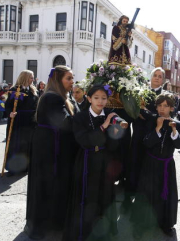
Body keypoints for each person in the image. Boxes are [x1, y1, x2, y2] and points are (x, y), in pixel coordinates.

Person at [63, 85, 128, 241]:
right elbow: (85, 141)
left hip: (105, 163)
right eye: (96, 98)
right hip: (86, 162)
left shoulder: (113, 118)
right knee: (87, 197)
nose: (100, 101)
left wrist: (115, 135)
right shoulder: (80, 117)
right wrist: (105, 125)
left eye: (104, 98)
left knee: (105, 197)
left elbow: (113, 147)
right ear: (89, 98)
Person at [24, 66, 77, 240]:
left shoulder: (58, 97)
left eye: (72, 78)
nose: (72, 82)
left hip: (49, 145)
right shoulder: (53, 98)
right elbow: (65, 123)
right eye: (68, 78)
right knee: (47, 185)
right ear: (57, 80)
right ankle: (43, 225)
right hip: (50, 149)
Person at [131, 93, 180, 239]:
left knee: (165, 193)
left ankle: (165, 223)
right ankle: (144, 222)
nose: (162, 109)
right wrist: (158, 127)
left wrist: (174, 131)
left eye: (166, 106)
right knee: (148, 193)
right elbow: (147, 143)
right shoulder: (151, 121)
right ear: (156, 107)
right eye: (160, 106)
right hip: (150, 163)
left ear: (171, 108)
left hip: (167, 165)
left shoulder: (178, 124)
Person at [123, 67, 166, 213]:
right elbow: (134, 112)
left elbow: (163, 115)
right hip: (139, 135)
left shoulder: (165, 96)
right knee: (133, 166)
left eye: (160, 76)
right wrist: (150, 115)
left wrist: (146, 114)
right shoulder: (139, 92)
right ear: (151, 76)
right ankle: (127, 200)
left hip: (155, 137)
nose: (157, 78)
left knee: (150, 170)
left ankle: (147, 204)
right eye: (155, 75)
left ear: (163, 80)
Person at [4, 70, 39, 176]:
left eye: (33, 77)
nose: (32, 79)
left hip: (30, 121)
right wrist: (10, 113)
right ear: (24, 77)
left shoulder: (33, 90)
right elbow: (8, 105)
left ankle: (26, 166)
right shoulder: (14, 90)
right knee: (16, 143)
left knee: (28, 144)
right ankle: (13, 168)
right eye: (31, 77)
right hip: (18, 120)